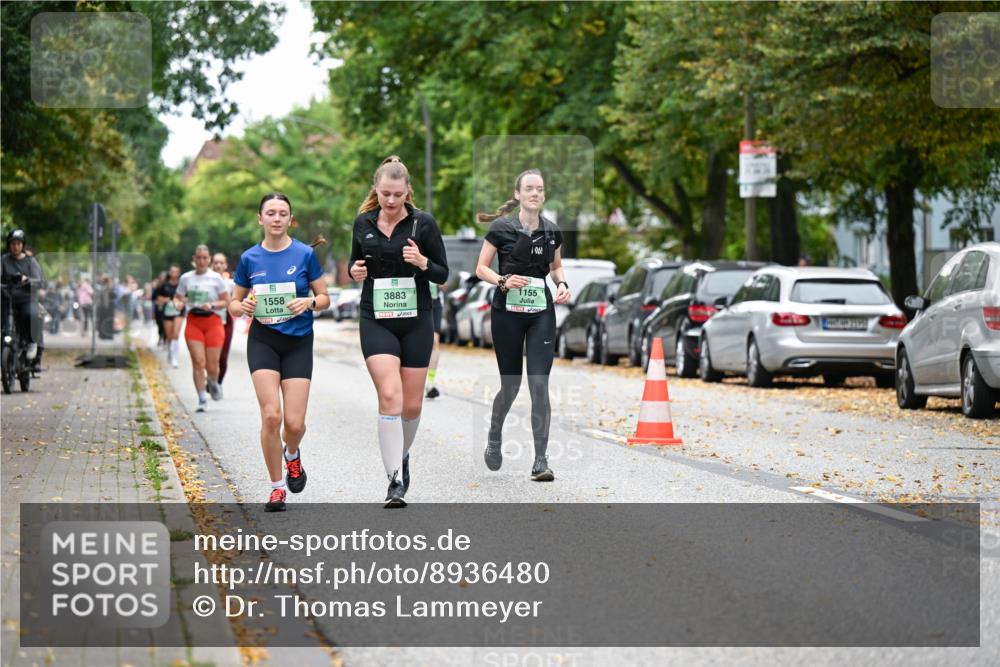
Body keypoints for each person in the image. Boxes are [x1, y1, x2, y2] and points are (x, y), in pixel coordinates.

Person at [349, 156, 449, 508]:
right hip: (376, 317)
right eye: (385, 194)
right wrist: (354, 271)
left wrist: (423, 263)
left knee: (411, 403)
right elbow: (354, 262)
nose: (391, 201)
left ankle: (402, 454)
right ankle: (394, 480)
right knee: (389, 396)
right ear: (376, 190)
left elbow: (442, 273)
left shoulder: (423, 224)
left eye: (397, 194)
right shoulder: (363, 223)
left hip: (416, 318)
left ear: (408, 191)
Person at [230, 193, 329, 512]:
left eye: (282, 213)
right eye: (270, 213)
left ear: (290, 219)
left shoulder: (303, 254)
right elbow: (233, 304)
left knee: (295, 425)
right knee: (271, 415)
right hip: (263, 341)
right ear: (260, 219)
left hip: (298, 342)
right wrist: (241, 306)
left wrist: (310, 302)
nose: (276, 218)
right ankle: (276, 487)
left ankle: (292, 454)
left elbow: (325, 297)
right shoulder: (249, 259)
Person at [475, 169, 571, 482]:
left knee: (539, 384)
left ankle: (541, 460)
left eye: (539, 189)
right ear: (518, 194)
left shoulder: (552, 231)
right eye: (529, 188)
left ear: (543, 195)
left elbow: (555, 267)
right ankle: (494, 432)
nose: (534, 193)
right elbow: (481, 269)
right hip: (507, 312)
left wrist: (562, 284)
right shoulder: (501, 228)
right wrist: (503, 280)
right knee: (512, 386)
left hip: (541, 311)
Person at [174, 245, 230, 412]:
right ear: (194, 259)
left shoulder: (216, 278)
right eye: (198, 258)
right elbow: (178, 297)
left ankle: (212, 381)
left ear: (209, 259)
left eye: (205, 258)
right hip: (193, 321)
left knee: (212, 366)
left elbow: (226, 301)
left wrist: (211, 304)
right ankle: (201, 399)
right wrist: (177, 304)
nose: (201, 261)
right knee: (198, 362)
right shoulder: (186, 278)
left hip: (213, 321)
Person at [1, 229, 45, 371]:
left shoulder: (30, 261)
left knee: (31, 315)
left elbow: (39, 280)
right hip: (7, 300)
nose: (15, 246)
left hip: (26, 300)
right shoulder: (3, 260)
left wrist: (28, 280)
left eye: (18, 243)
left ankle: (31, 343)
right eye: (13, 243)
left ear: (23, 245)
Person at [212, 253, 236, 386]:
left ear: (225, 265)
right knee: (209, 357)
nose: (218, 265)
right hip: (208, 320)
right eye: (216, 263)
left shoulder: (231, 284)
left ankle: (217, 383)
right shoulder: (205, 282)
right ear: (212, 265)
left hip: (225, 321)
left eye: (221, 263)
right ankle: (210, 378)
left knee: (222, 357)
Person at [154, 266, 183, 366]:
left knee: (176, 334)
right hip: (167, 312)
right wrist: (166, 300)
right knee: (170, 335)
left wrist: (181, 301)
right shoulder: (164, 285)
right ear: (169, 273)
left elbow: (187, 297)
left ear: (179, 273)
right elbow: (157, 298)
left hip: (179, 311)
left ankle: (175, 357)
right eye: (172, 271)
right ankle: (170, 352)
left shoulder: (182, 284)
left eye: (176, 271)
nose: (174, 273)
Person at [425, 280, 445, 398]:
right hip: (414, 300)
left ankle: (431, 383)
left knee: (434, 342)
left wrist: (442, 281)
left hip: (435, 302)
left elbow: (443, 272)